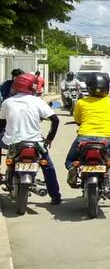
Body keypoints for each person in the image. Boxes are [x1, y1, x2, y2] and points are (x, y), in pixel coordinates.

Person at [65, 72, 110, 207]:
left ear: (89, 87)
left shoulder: (81, 102)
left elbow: (77, 120)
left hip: (83, 139)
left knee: (70, 161)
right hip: (108, 140)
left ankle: (74, 168)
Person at [0, 73, 61, 204]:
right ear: (32, 86)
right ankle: (55, 196)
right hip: (35, 143)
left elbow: (2, 124)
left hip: (11, 142)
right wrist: (49, 139)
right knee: (48, 167)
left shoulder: (7, 102)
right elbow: (55, 120)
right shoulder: (38, 101)